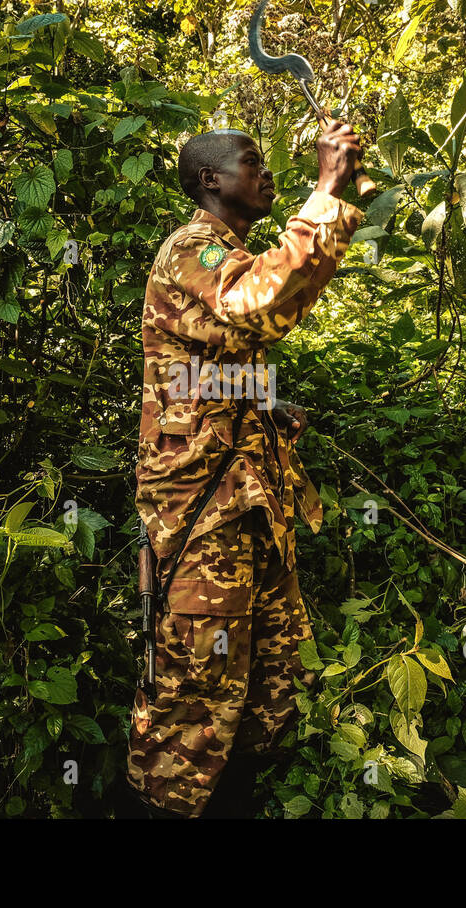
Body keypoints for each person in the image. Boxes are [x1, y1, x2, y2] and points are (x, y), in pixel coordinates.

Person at [123, 119, 363, 817]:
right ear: (210, 181)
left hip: (246, 510)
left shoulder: (227, 252)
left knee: (261, 684)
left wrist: (263, 398)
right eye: (251, 163)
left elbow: (213, 353)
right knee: (195, 693)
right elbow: (257, 307)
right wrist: (327, 191)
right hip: (200, 520)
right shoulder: (191, 247)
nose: (265, 173)